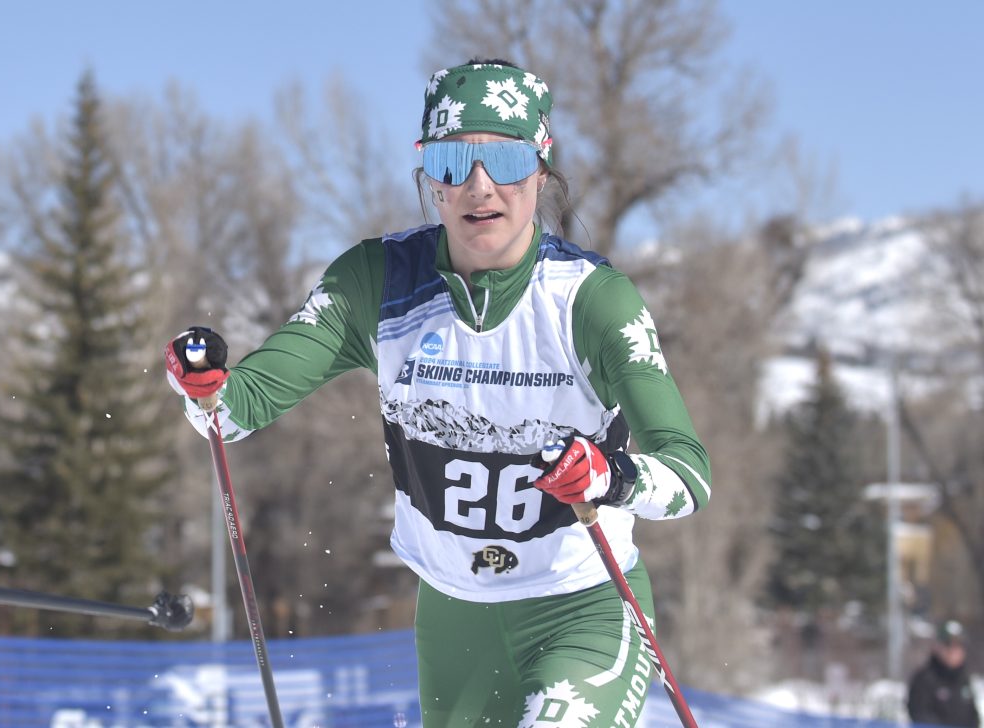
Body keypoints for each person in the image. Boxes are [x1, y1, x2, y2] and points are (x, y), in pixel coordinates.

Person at [166, 59, 711, 727]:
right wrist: (202, 386)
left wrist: (611, 476)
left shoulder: (592, 302)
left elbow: (689, 475)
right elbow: (234, 412)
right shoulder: (378, 281)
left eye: (506, 161)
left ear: (541, 172)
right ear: (429, 175)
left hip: (583, 606)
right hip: (454, 624)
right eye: (452, 162)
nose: (480, 186)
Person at [908, 620, 980, 727]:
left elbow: (973, 716)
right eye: (949, 645)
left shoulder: (964, 680)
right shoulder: (924, 679)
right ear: (938, 647)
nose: (954, 652)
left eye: (958, 646)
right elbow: (920, 715)